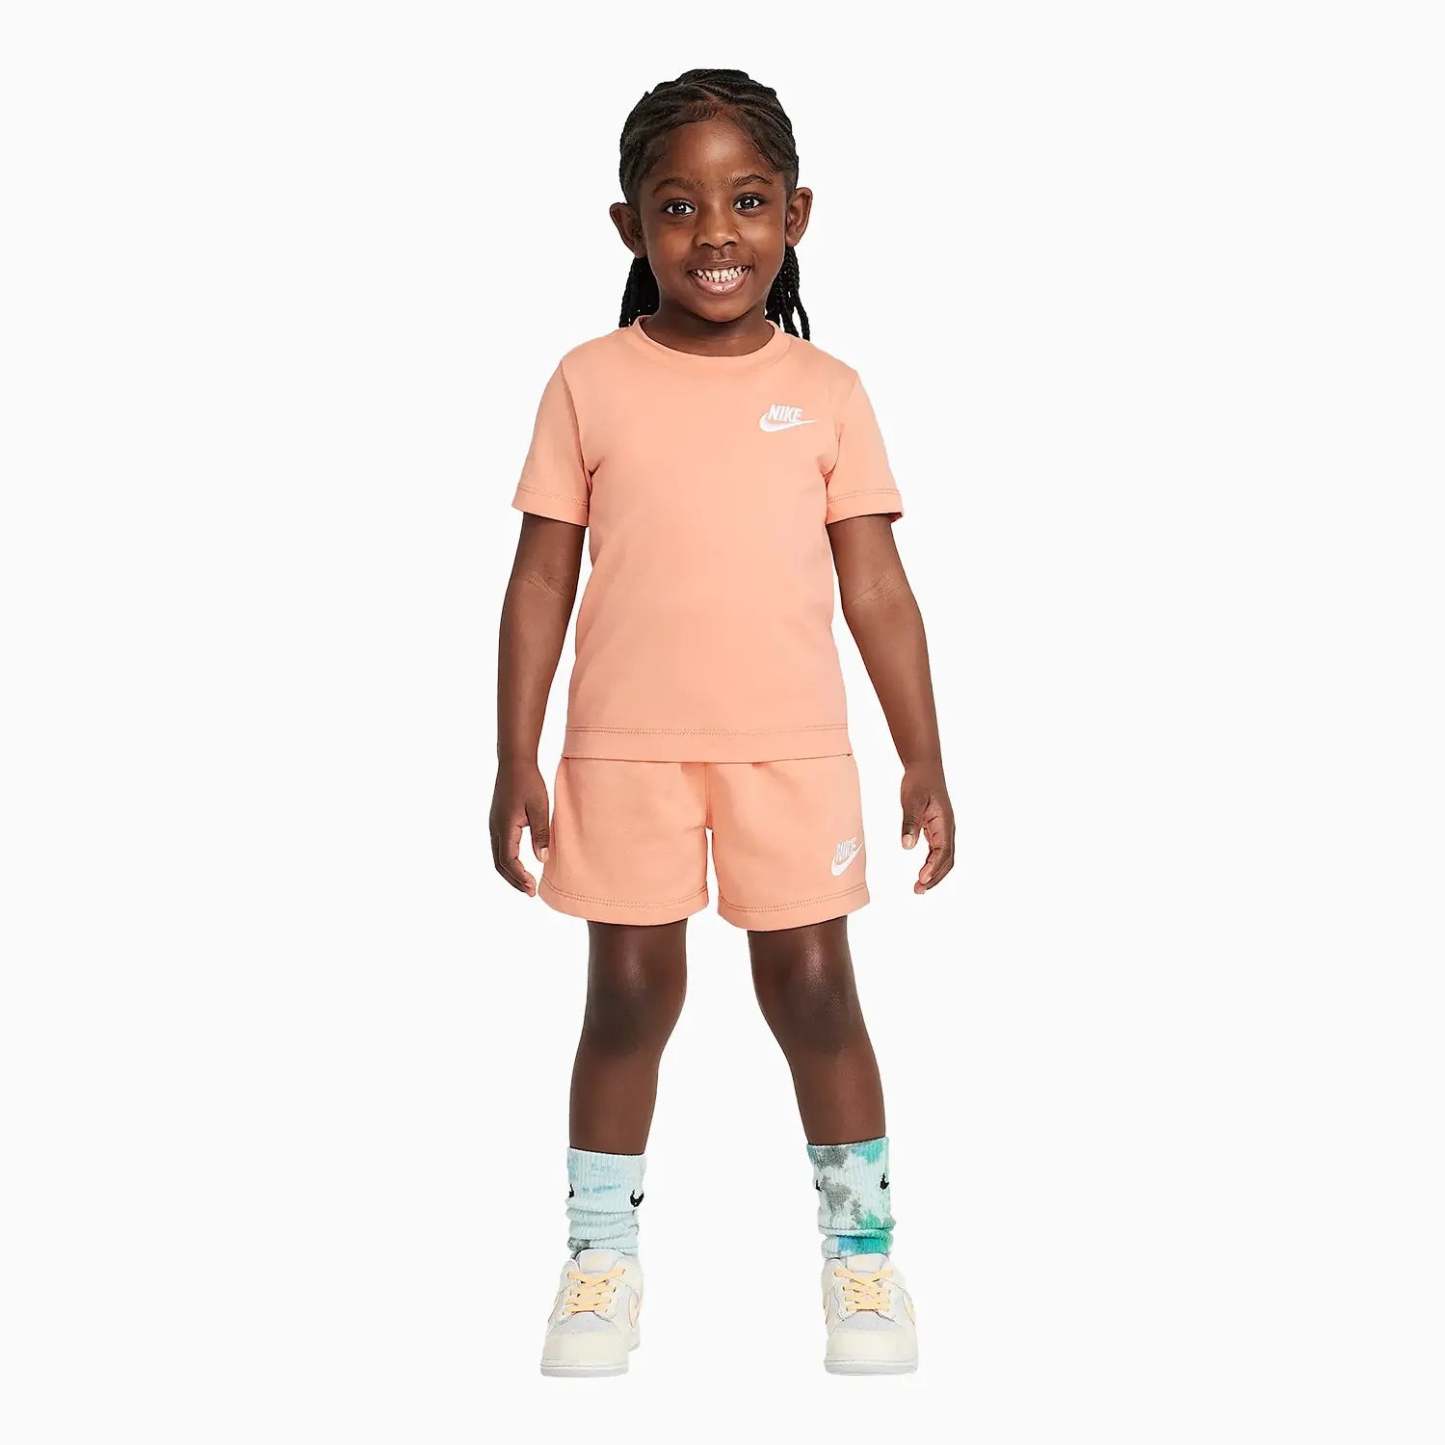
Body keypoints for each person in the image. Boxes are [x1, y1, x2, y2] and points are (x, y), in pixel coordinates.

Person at [491, 68, 954, 1377]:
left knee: (814, 991)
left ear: (795, 215)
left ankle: (862, 1262)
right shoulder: (588, 380)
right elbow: (539, 580)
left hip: (789, 752)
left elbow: (877, 586)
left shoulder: (829, 390)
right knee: (628, 1000)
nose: (715, 234)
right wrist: (513, 752)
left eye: (747, 201)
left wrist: (923, 754)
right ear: (628, 225)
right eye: (678, 205)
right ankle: (598, 1262)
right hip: (623, 751)